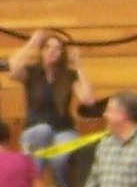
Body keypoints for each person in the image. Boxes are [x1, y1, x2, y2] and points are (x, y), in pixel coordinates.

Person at [8, 28, 95, 156]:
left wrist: (78, 66)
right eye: (47, 47)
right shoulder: (32, 72)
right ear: (41, 51)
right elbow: (12, 69)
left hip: (62, 129)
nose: (51, 51)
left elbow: (88, 100)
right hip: (36, 127)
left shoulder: (68, 76)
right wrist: (31, 44)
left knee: (62, 155)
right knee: (43, 131)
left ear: (62, 54)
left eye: (57, 49)